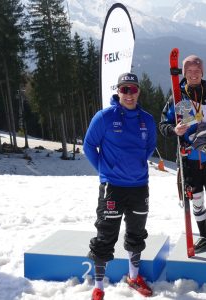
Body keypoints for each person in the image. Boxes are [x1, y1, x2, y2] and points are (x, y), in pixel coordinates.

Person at [83, 72, 157, 300]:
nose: (128, 94)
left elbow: (149, 148)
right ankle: (99, 287)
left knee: (136, 234)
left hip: (139, 187)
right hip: (112, 187)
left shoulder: (147, 120)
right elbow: (89, 146)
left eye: (132, 89)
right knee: (106, 235)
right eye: (124, 89)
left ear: (138, 92)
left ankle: (134, 277)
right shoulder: (104, 117)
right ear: (118, 91)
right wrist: (106, 171)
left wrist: (133, 166)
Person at [159, 54, 206, 255]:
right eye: (189, 71)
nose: (193, 75)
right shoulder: (177, 98)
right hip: (189, 158)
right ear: (184, 73)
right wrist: (175, 130)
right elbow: (163, 125)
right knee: (197, 197)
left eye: (197, 71)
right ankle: (202, 238)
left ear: (202, 73)